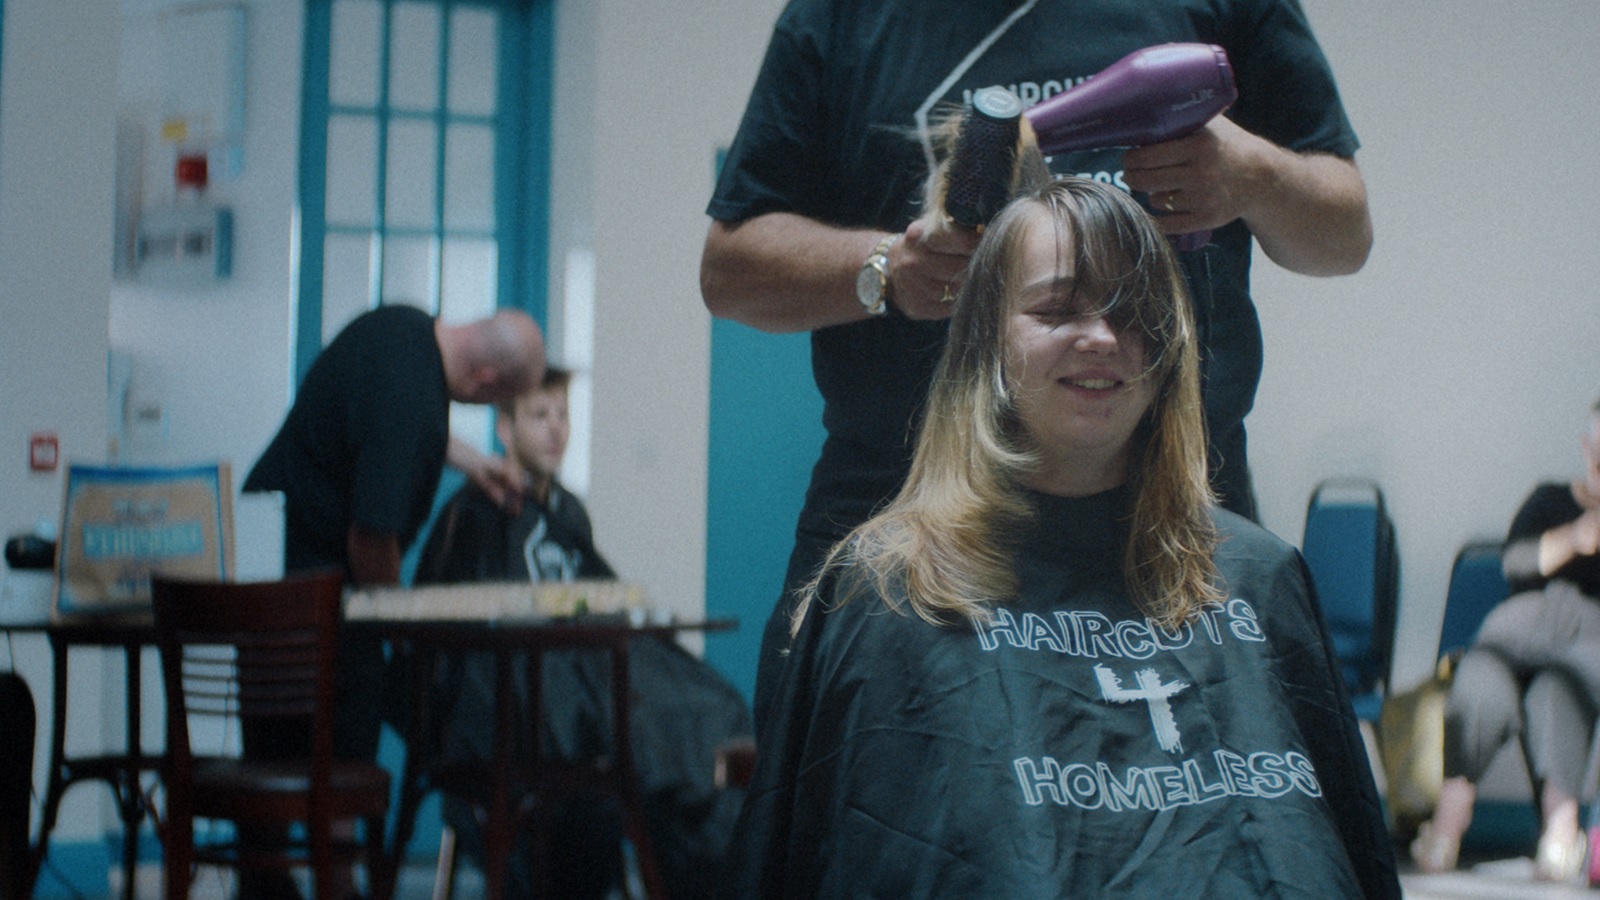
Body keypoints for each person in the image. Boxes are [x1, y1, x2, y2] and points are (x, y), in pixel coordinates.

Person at [701, 0, 1373, 731]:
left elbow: (1346, 235)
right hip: (907, 529)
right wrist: (888, 267)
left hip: (1170, 529)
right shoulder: (841, 18)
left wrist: (1254, 178)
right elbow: (729, 270)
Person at [723, 178, 1398, 898]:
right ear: (985, 341)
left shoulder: (1261, 579)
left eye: (1134, 312)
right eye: (1056, 309)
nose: (1104, 338)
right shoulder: (885, 587)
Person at [408, 366, 753, 900]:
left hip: (582, 683)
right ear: (505, 428)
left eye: (562, 414)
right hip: (519, 707)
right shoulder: (476, 512)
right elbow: (456, 647)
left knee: (711, 707)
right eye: (539, 415)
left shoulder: (569, 512)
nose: (555, 429)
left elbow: (604, 600)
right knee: (615, 728)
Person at [239, 303, 544, 899]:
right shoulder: (415, 404)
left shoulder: (400, 328)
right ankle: (341, 882)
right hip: (314, 592)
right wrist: (401, 620)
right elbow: (370, 539)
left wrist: (469, 460)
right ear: (486, 383)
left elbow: (388, 419)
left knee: (271, 767)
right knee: (357, 703)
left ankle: (271, 878)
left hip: (265, 578)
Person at [1411, 398, 1600, 882]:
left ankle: (1561, 832)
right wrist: (1576, 537)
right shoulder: (1550, 499)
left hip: (1579, 654)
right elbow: (1514, 562)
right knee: (1478, 680)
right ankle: (1449, 822)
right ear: (1585, 447)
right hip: (1516, 637)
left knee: (1556, 697)